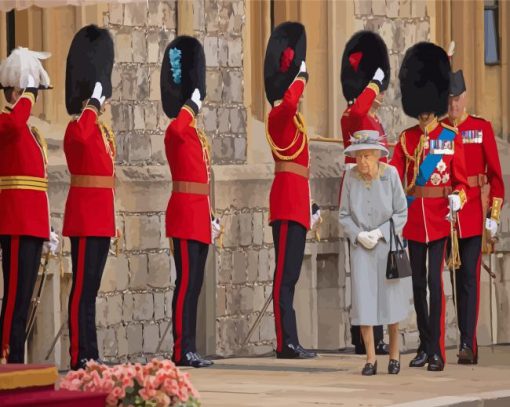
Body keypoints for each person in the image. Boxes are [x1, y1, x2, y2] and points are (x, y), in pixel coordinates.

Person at [391, 42, 469, 372]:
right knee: (417, 285)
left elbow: (462, 182)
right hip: (413, 222)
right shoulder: (406, 139)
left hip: (438, 221)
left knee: (435, 285)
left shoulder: (450, 138)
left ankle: (437, 348)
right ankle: (424, 344)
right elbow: (394, 178)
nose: (423, 112)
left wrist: (457, 198)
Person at [161, 36, 219, 368]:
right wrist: (189, 106)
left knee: (194, 284)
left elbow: (203, 178)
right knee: (185, 282)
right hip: (183, 215)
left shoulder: (196, 134)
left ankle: (190, 346)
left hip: (198, 215)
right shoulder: (178, 128)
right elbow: (176, 132)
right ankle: (182, 348)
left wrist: (210, 215)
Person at [263, 21, 320, 359]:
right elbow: (288, 104)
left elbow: (302, 169)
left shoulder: (293, 120)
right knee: (283, 277)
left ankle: (291, 339)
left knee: (291, 277)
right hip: (285, 203)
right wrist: (299, 77)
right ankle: (286, 341)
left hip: (296, 202)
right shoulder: (278, 117)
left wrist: (309, 205)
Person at [441, 70, 504, 364]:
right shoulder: (439, 130)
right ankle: (463, 339)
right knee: (455, 281)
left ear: (465, 98)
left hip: (474, 214)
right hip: (447, 216)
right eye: (450, 100)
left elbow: (496, 177)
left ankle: (468, 342)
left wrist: (493, 214)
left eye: (457, 99)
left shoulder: (480, 128)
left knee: (469, 279)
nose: (454, 105)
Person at [63, 25, 116, 370]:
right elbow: (80, 139)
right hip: (84, 218)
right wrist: (93, 105)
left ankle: (92, 353)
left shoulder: (100, 129)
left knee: (92, 292)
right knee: (81, 290)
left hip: (100, 218)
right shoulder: (77, 127)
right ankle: (79, 354)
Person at [0, 47, 56, 363]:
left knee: (24, 299)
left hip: (30, 222)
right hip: (15, 222)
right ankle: (8, 357)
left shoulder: (31, 131)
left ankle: (17, 360)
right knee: (14, 299)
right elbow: (14, 123)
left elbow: (38, 185)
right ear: (16, 92)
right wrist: (28, 93)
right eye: (27, 93)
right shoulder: (7, 123)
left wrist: (45, 224)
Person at [339, 130, 410, 376]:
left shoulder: (390, 176)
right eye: (359, 156)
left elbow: (401, 212)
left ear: (378, 156)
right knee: (364, 303)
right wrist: (357, 235)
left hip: (387, 247)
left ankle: (394, 355)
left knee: (390, 303)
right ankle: (370, 358)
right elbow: (343, 215)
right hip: (361, 249)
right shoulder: (350, 178)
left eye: (367, 156)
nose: (362, 162)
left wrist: (380, 233)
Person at [340, 30, 392, 355]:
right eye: (375, 89)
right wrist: (373, 83)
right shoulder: (353, 116)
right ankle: (364, 337)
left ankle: (377, 334)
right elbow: (360, 112)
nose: (380, 94)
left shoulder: (373, 119)